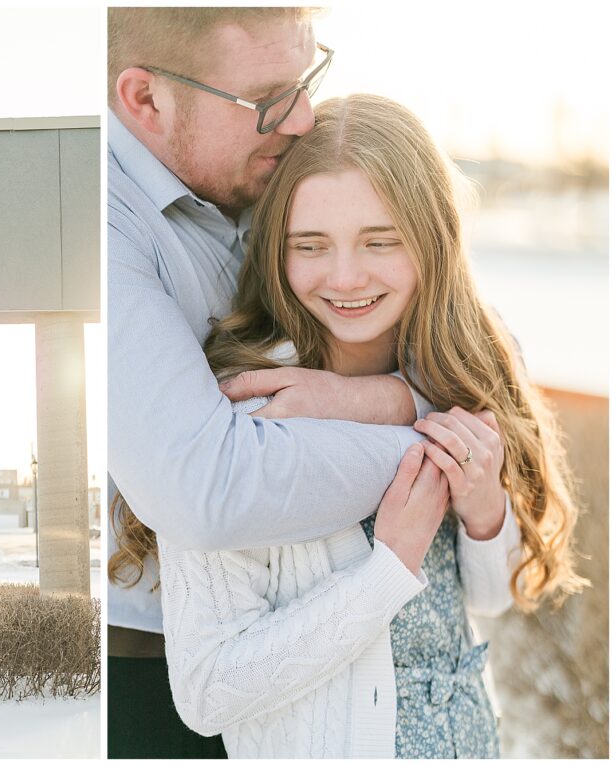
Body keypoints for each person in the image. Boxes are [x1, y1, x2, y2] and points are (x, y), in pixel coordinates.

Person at [125, 93, 585, 757]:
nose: (345, 277)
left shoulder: (461, 377)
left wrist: (485, 512)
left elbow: (490, 600)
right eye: (310, 245)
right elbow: (207, 692)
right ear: (275, 251)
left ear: (433, 241)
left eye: (381, 241)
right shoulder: (248, 415)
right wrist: (385, 571)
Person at [107, 7, 434, 757]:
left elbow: (483, 340)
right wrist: (442, 451)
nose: (304, 116)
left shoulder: (266, 166)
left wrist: (381, 398)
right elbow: (209, 492)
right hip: (146, 672)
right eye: (269, 97)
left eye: (309, 76)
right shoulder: (110, 229)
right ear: (146, 99)